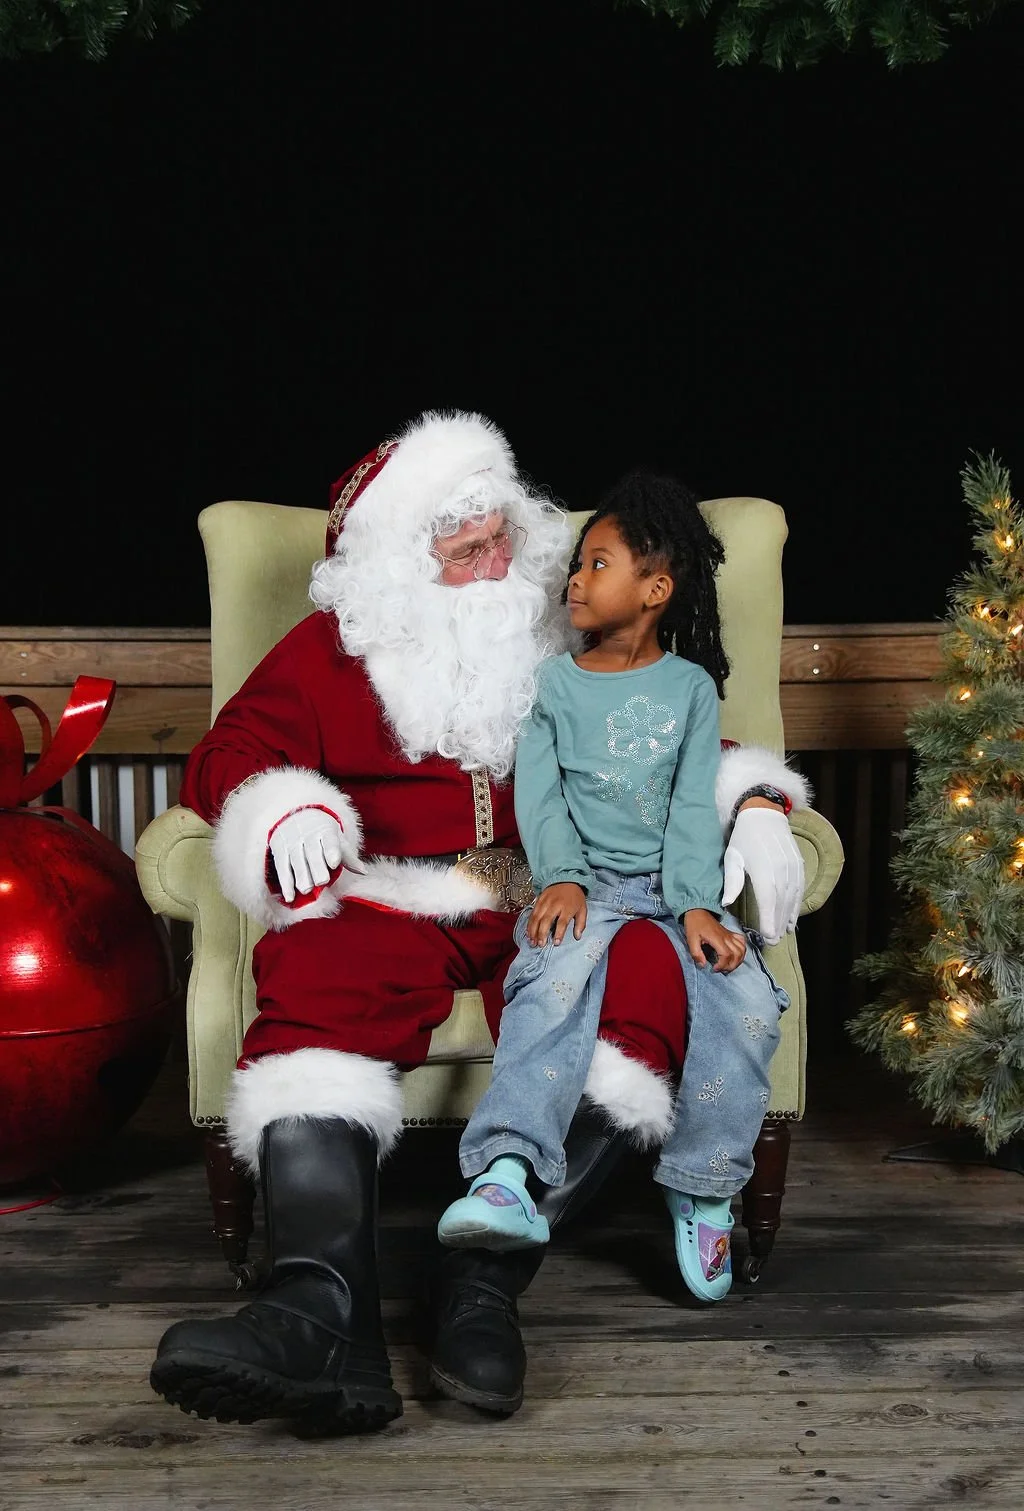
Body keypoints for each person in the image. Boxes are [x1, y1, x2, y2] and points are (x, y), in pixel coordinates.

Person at [147, 409, 809, 1434]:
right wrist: (291, 807)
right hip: (394, 895)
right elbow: (227, 752)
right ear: (399, 568)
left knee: (642, 980)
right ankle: (322, 1312)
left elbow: (677, 734)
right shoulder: (334, 647)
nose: (497, 564)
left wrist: (756, 798)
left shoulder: (568, 625)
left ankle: (481, 1286)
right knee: (313, 968)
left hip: (560, 894)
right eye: (466, 552)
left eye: (502, 537)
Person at [435, 469, 789, 1307]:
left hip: (672, 893)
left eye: (597, 564)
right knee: (547, 986)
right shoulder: (555, 687)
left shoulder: (692, 692)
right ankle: (508, 1175)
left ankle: (703, 1185)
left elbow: (692, 806)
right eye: (579, 564)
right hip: (583, 888)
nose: (576, 580)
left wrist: (698, 901)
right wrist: (561, 880)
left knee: (745, 1001)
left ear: (655, 589)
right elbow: (543, 797)